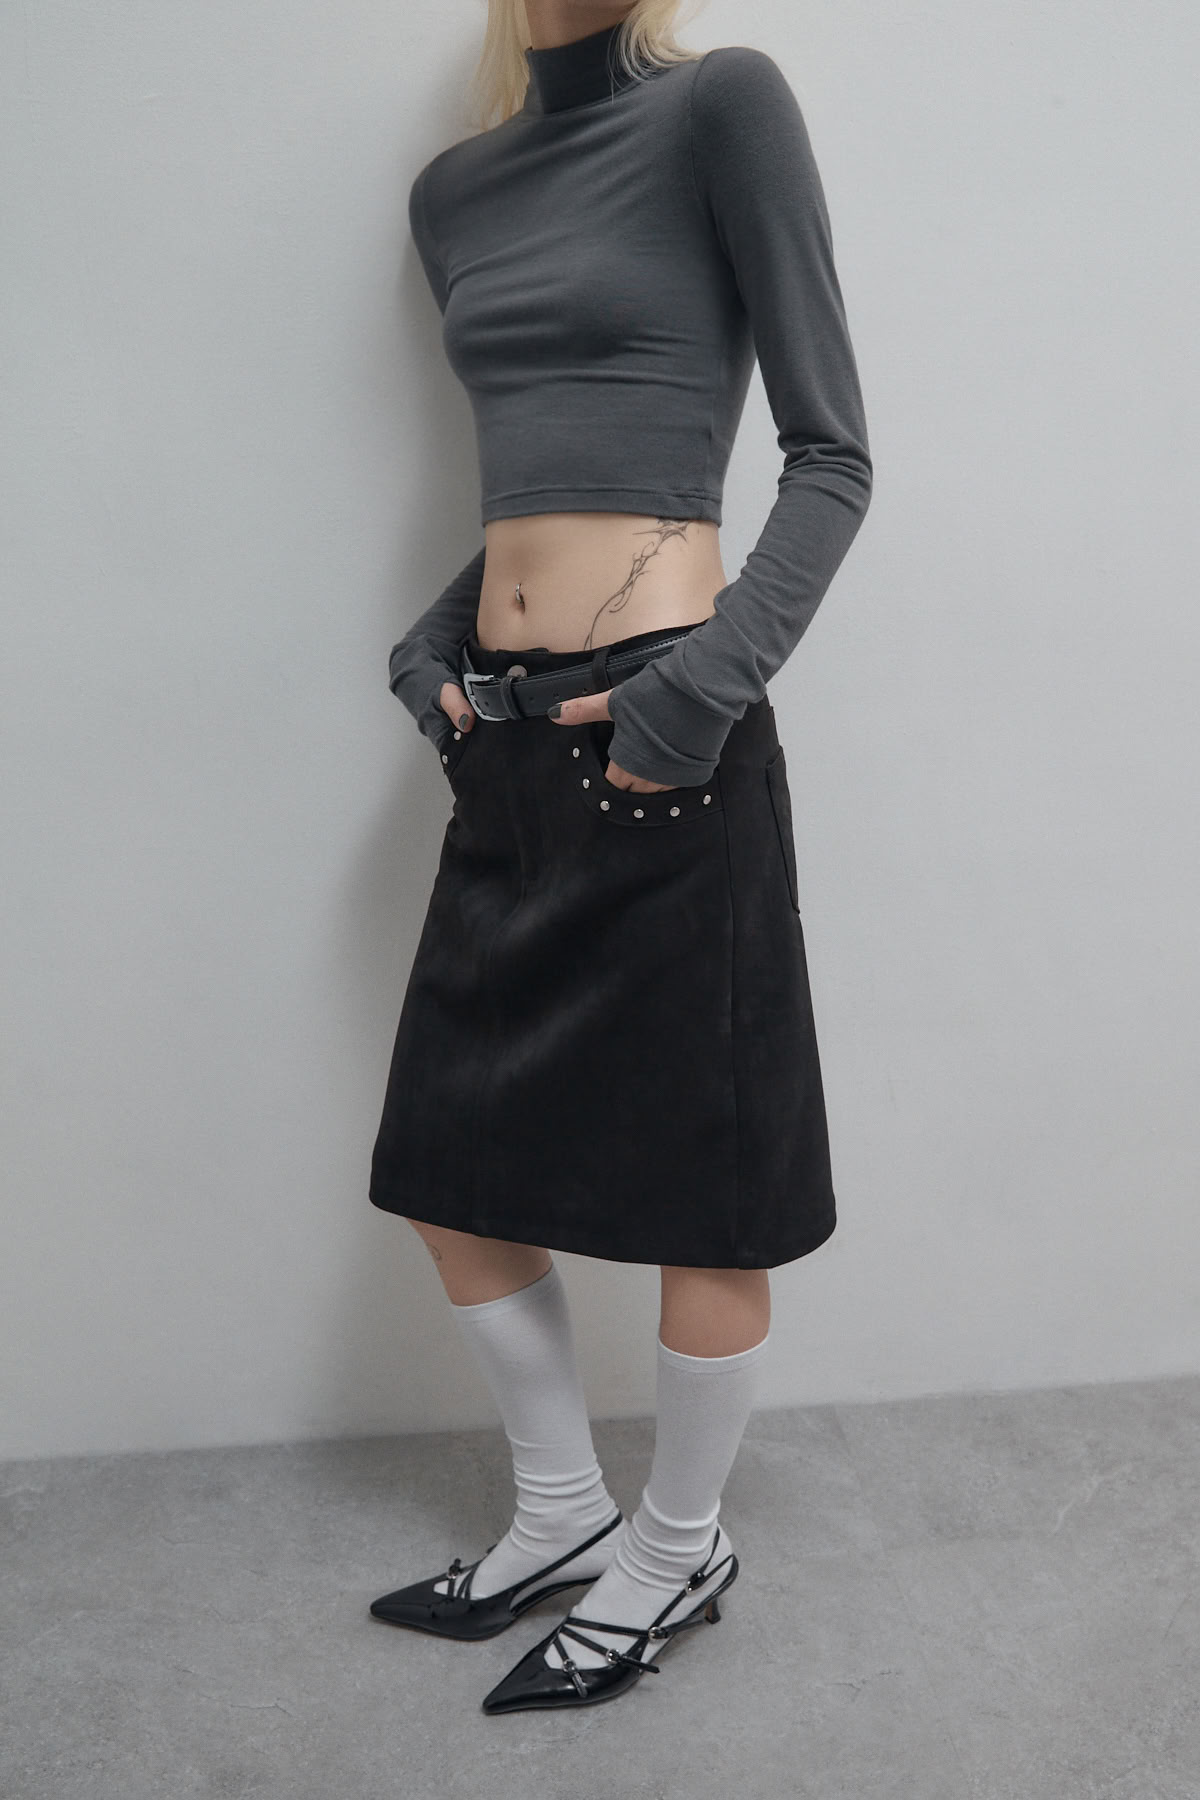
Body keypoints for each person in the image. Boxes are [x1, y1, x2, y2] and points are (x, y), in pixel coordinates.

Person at [368, 0, 872, 1715]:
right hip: (507, 742)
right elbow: (539, 476)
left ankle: (675, 1549)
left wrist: (698, 693)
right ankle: (561, 1510)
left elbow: (832, 456)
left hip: (668, 736)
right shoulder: (454, 192)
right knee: (444, 1163)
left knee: (698, 1183)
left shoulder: (723, 107)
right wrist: (432, 646)